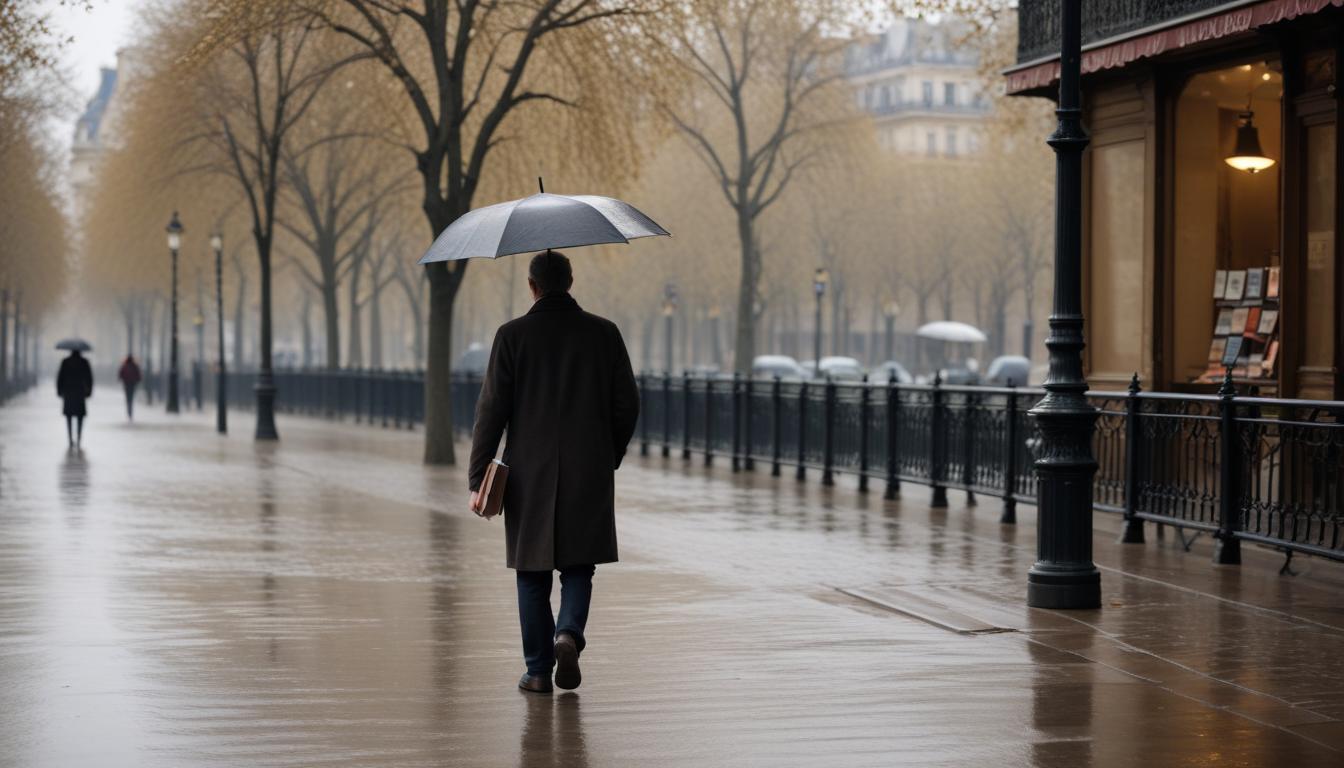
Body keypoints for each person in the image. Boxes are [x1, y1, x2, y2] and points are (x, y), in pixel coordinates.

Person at [468, 249, 640, 695]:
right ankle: (569, 633)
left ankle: (539, 670)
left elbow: (491, 411)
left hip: (529, 471)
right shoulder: (604, 334)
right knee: (579, 567)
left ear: (532, 286)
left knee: (531, 573)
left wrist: (477, 479)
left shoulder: (512, 336)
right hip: (589, 470)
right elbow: (627, 404)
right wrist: (609, 454)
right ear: (570, 281)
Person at [56, 350, 94, 448]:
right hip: (80, 392)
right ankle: (79, 438)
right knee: (80, 416)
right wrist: (89, 391)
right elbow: (89, 378)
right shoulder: (84, 362)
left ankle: (70, 439)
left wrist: (59, 391)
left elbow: (60, 377)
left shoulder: (65, 361)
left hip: (68, 392)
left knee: (69, 416)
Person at [118, 354, 142, 421]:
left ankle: (129, 411)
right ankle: (130, 411)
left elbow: (120, 375)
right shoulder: (135, 366)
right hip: (133, 384)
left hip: (126, 384)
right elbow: (139, 376)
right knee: (131, 398)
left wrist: (123, 380)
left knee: (128, 398)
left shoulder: (124, 366)